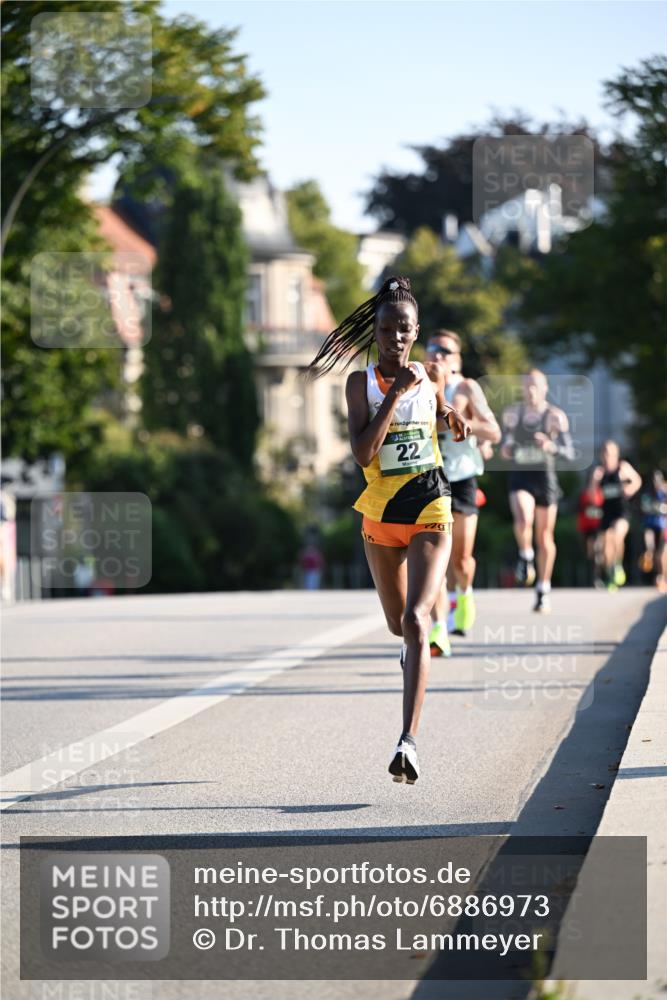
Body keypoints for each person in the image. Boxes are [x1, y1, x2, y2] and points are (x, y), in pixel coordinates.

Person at [307, 276, 470, 784]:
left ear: (415, 330)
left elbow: (438, 411)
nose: (396, 338)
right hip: (380, 516)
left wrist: (450, 414)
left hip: (430, 507)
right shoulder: (361, 384)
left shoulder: (428, 375)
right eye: (386, 329)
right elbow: (362, 453)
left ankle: (408, 742)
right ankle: (411, 647)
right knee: (399, 625)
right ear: (375, 333)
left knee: (420, 620)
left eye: (404, 329)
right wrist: (396, 395)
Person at [425, 330, 501, 650]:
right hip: (431, 476)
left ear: (457, 359)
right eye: (433, 349)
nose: (439, 354)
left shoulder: (468, 387)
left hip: (464, 476)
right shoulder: (419, 386)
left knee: (461, 558)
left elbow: (494, 432)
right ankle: (439, 628)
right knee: (434, 560)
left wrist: (467, 423)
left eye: (446, 350)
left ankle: (465, 595)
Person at [500, 369, 574, 613]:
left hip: (545, 478)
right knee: (523, 518)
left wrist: (551, 445)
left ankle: (543, 588)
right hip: (521, 476)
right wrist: (507, 448)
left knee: (545, 537)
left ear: (544, 388)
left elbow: (569, 453)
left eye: (535, 385)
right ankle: (526, 555)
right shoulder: (513, 414)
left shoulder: (555, 416)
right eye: (527, 385)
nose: (530, 390)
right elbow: (505, 445)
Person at [590, 441, 642, 590]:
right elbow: (593, 498)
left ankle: (618, 565)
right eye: (605, 453)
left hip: (621, 512)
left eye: (611, 453)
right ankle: (610, 570)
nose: (608, 456)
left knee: (617, 535)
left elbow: (637, 480)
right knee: (606, 545)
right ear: (602, 455)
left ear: (616, 454)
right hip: (607, 513)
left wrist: (629, 489)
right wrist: (594, 482)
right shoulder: (599, 473)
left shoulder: (622, 467)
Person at [576, 472, 605, 587]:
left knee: (598, 550)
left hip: (597, 527)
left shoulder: (601, 493)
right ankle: (591, 577)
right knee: (590, 553)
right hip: (586, 527)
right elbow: (578, 509)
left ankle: (597, 577)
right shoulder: (583, 494)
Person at [639, 470, 667, 584]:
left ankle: (662, 577)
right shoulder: (646, 494)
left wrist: (659, 508)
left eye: (658, 481)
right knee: (650, 550)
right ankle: (649, 558)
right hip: (650, 526)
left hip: (663, 527)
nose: (656, 483)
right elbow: (644, 508)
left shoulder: (664, 493)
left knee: (661, 554)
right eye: (654, 481)